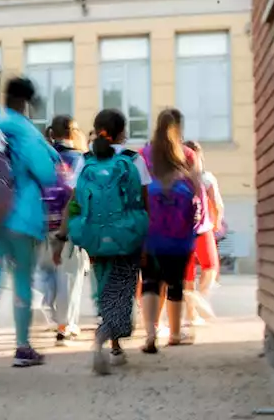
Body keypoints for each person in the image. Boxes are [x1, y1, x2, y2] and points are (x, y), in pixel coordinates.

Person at [0, 77, 61, 376]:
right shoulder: (24, 129)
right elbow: (47, 174)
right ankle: (22, 347)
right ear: (27, 102)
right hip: (21, 217)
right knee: (21, 280)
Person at [54, 109, 149, 375]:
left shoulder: (86, 160)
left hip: (95, 238)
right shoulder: (133, 159)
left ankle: (114, 343)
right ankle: (103, 338)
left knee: (105, 286)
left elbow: (74, 203)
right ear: (123, 132)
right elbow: (144, 203)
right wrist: (145, 240)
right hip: (128, 237)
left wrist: (62, 237)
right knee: (123, 290)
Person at [139, 109, 202, 353]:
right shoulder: (187, 154)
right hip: (179, 232)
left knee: (150, 282)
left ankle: (150, 334)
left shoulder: (144, 154)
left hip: (150, 230)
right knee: (175, 282)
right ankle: (175, 334)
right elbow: (197, 190)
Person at [37, 115, 87, 344]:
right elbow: (79, 193)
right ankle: (65, 325)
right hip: (69, 225)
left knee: (47, 271)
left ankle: (46, 309)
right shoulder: (79, 158)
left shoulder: (44, 157)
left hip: (43, 222)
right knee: (69, 275)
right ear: (73, 132)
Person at [182, 140, 223, 326]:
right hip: (202, 227)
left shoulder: (175, 178)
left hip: (181, 230)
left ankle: (191, 313)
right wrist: (217, 222)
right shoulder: (206, 178)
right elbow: (217, 203)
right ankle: (199, 298)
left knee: (188, 272)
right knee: (211, 266)